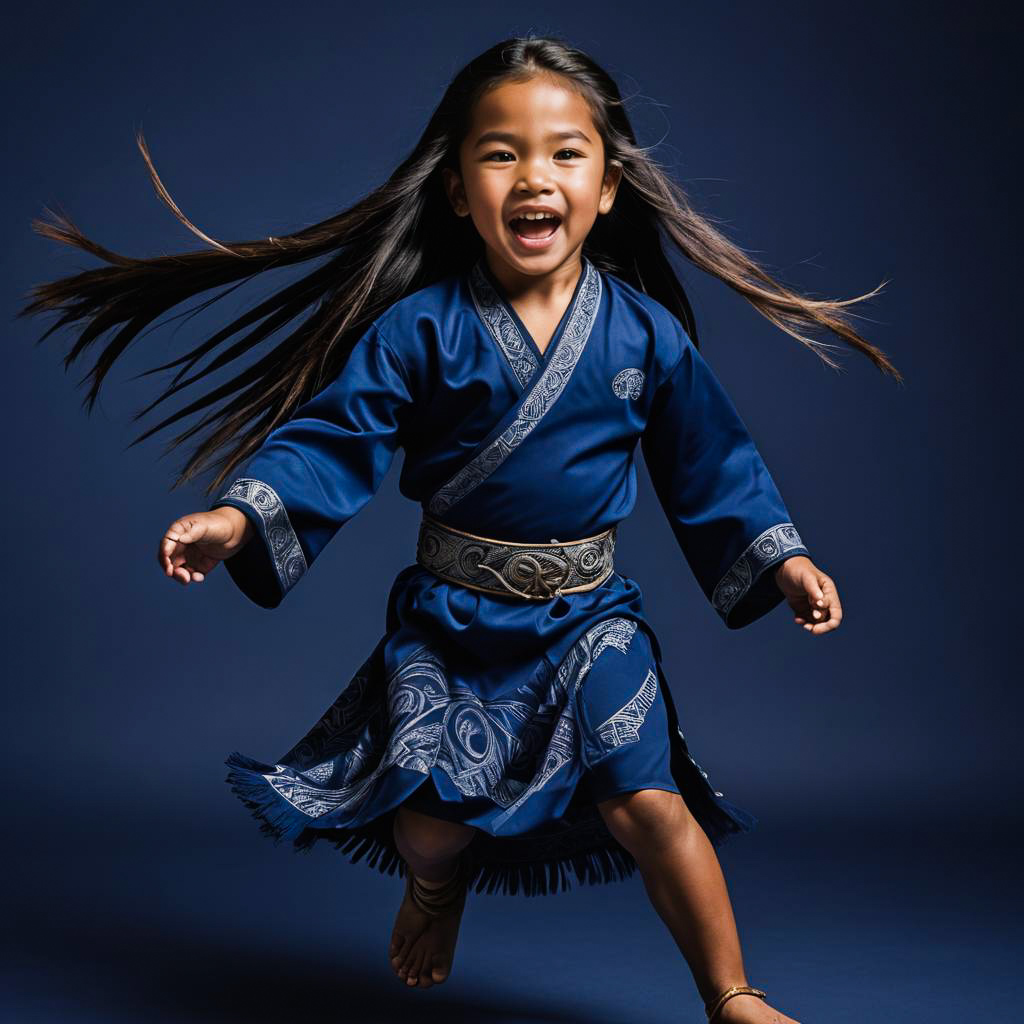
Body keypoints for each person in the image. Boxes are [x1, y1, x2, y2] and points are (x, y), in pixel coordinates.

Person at [22, 35, 900, 1024]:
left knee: (649, 801)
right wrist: (237, 517)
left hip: (588, 619)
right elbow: (333, 438)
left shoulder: (644, 335)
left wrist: (782, 557)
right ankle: (435, 889)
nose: (535, 176)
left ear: (607, 188)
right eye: (500, 153)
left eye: (566, 153)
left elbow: (712, 463)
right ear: (454, 191)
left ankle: (732, 993)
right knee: (433, 826)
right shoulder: (420, 331)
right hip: (451, 622)